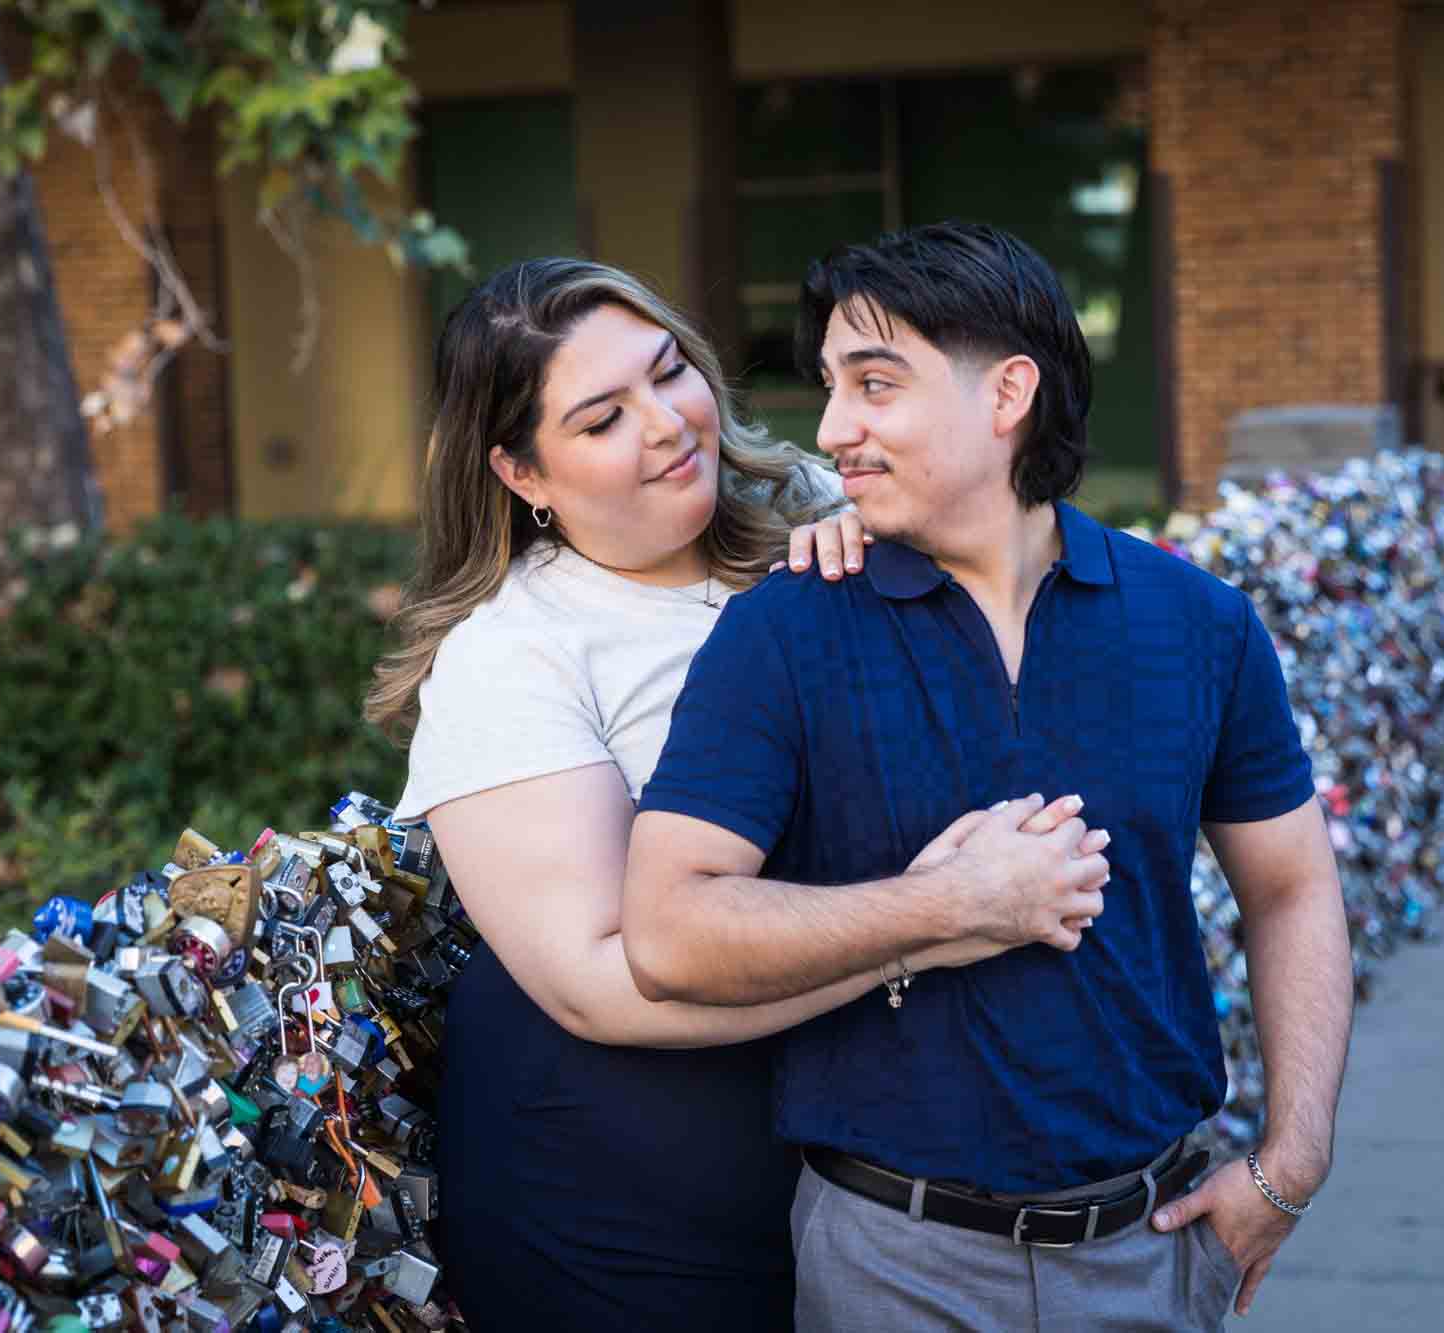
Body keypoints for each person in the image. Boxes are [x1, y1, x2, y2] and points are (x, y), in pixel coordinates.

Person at [624, 221, 1355, 1331]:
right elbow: (669, 929)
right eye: (828, 385)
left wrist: (1290, 1164)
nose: (832, 429)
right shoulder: (783, 630)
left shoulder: (1197, 623)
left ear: (1007, 393)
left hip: (1153, 1253)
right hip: (887, 1261)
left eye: (875, 383)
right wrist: (950, 904)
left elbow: (1291, 886)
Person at [364, 257, 1111, 1332]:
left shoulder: (824, 514)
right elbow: (597, 981)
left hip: (870, 1153)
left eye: (670, 372)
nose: (667, 423)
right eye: (601, 418)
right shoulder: (513, 656)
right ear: (521, 472)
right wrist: (930, 926)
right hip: (627, 1174)